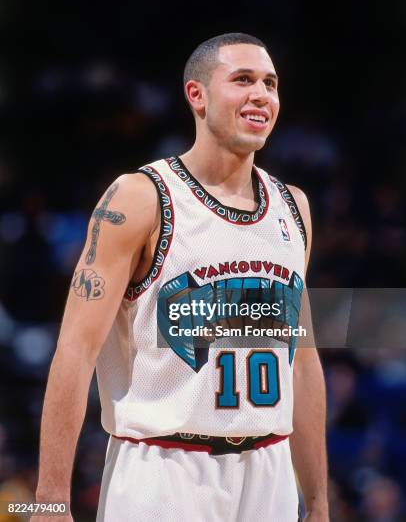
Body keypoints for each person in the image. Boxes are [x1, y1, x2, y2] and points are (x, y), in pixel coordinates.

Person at [33, 33, 329, 521]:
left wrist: (318, 501)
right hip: (163, 469)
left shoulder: (294, 207)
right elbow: (75, 350)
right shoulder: (140, 197)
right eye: (243, 80)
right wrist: (48, 498)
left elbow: (303, 359)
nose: (262, 94)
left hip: (270, 469)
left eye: (271, 83)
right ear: (197, 95)